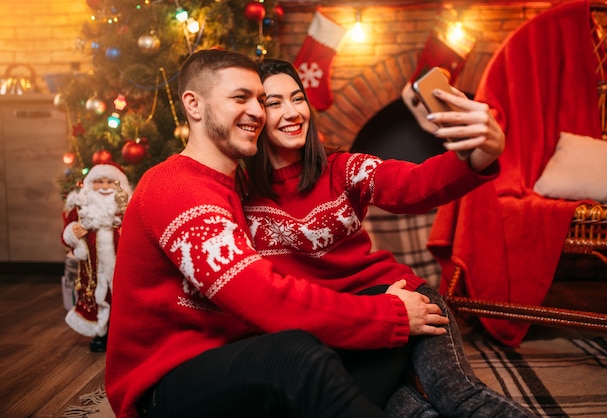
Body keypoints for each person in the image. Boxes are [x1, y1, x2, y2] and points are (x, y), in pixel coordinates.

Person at [105, 49, 454, 418]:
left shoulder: (233, 188)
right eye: (240, 98)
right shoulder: (176, 187)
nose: (257, 111)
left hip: (236, 362)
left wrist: (385, 314)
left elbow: (408, 184)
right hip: (165, 389)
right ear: (193, 104)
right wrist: (386, 315)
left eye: (259, 99)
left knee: (377, 347)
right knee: (295, 355)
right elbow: (267, 300)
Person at [243, 59, 536, 417]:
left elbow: (413, 185)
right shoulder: (237, 194)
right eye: (275, 103)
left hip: (403, 301)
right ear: (253, 114)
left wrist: (483, 152)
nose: (292, 112)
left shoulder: (343, 169)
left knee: (459, 396)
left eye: (298, 98)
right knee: (403, 411)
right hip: (333, 335)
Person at [61, 162, 132, 352]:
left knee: (121, 299)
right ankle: (101, 333)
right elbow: (65, 237)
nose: (105, 187)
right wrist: (72, 233)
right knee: (97, 299)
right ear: (89, 184)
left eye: (110, 181)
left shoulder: (127, 208)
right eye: (99, 182)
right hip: (93, 270)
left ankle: (122, 335)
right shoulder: (81, 210)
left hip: (122, 268)